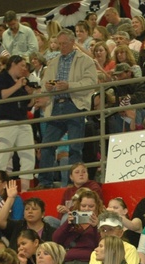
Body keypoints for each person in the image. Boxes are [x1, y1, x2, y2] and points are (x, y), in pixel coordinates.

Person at [37, 29, 98, 188]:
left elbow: (91, 83)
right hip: (56, 106)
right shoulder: (53, 61)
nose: (62, 47)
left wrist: (69, 86)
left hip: (74, 105)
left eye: (65, 43)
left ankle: (75, 183)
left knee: (75, 147)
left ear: (72, 43)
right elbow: (44, 84)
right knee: (47, 145)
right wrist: (48, 87)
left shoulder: (85, 60)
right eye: (60, 44)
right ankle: (45, 182)